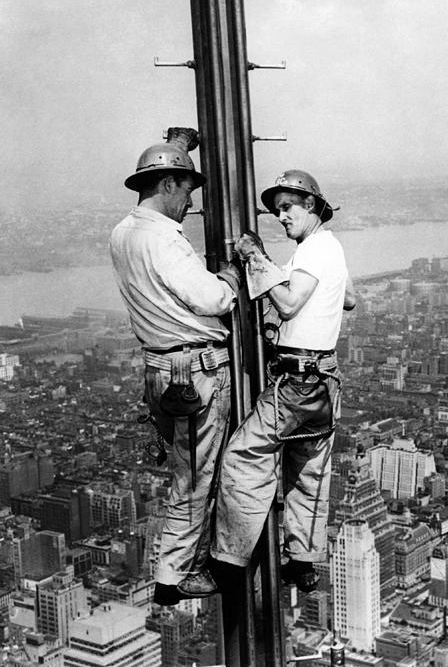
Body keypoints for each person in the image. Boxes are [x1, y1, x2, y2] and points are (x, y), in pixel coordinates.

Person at [110, 128, 240, 605]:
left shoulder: (123, 233)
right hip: (194, 372)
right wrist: (226, 278)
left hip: (160, 371)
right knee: (196, 477)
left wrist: (180, 143)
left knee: (192, 473)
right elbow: (211, 298)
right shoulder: (164, 240)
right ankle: (174, 574)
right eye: (186, 188)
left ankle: (184, 562)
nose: (190, 201)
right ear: (167, 185)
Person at [211, 169, 354, 591]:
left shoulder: (314, 249)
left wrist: (256, 259)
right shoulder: (329, 249)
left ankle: (231, 557)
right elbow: (349, 299)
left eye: (287, 207)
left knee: (242, 455)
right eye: (277, 211)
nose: (281, 217)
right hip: (324, 380)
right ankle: (303, 560)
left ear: (310, 205)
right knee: (308, 469)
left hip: (297, 382)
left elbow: (289, 304)